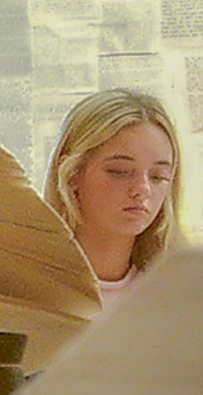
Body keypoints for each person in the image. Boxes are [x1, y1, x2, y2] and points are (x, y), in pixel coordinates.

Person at [43, 89, 182, 297]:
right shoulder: (25, 291)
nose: (142, 189)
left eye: (158, 176)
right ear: (71, 174)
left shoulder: (177, 295)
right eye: (120, 172)